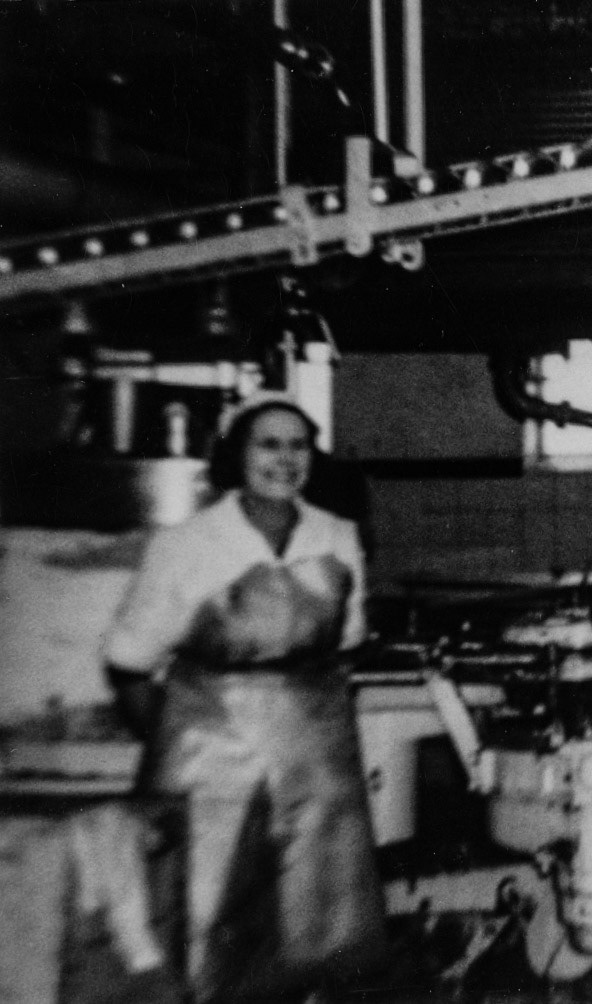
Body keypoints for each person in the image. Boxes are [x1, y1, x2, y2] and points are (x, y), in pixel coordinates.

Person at [104, 395, 385, 1002]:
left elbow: (350, 636)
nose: (285, 460)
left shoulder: (337, 535)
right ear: (237, 455)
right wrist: (167, 753)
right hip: (209, 747)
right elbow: (129, 661)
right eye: (268, 444)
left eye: (298, 445)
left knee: (315, 920)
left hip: (314, 747)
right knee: (200, 921)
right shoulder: (187, 543)